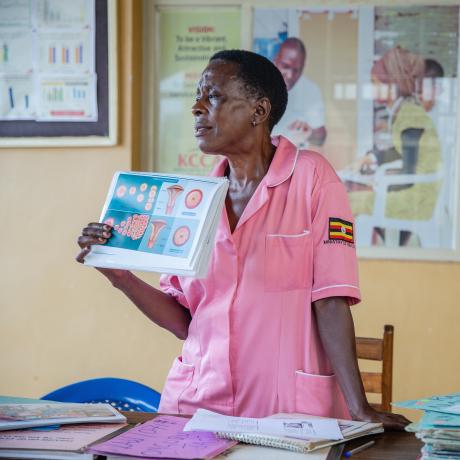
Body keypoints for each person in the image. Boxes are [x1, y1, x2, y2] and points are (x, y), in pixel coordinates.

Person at [77, 49, 408, 429]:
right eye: (197, 97)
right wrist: (120, 275)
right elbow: (185, 320)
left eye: (213, 96)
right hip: (197, 406)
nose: (197, 108)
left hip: (286, 414)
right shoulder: (192, 200)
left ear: (259, 110)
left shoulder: (312, 179)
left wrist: (359, 407)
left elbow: (331, 301)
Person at [348, 46, 442, 246]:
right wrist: (374, 158)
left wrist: (377, 182)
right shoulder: (405, 110)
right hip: (418, 194)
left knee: (346, 201)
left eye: (375, 83)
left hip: (415, 200)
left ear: (391, 85)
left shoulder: (410, 114)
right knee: (354, 196)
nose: (371, 88)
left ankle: (341, 256)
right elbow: (404, 152)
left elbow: (408, 171)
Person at [272, 37, 327, 147]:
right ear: (275, 60)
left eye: (296, 70)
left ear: (303, 68)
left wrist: (309, 133)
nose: (290, 75)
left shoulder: (311, 90)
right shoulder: (258, 83)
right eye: (286, 66)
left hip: (293, 161)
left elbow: (320, 139)